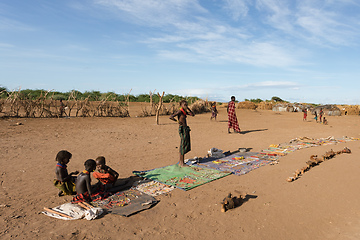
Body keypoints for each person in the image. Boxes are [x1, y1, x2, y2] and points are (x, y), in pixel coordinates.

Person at [169, 100, 195, 167]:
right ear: (181, 105)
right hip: (182, 129)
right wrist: (177, 121)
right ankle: (181, 163)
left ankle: (181, 162)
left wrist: (188, 108)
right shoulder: (180, 111)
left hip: (185, 129)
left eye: (186, 105)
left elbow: (193, 114)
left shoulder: (184, 111)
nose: (186, 106)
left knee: (185, 144)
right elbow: (171, 117)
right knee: (182, 145)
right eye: (185, 105)